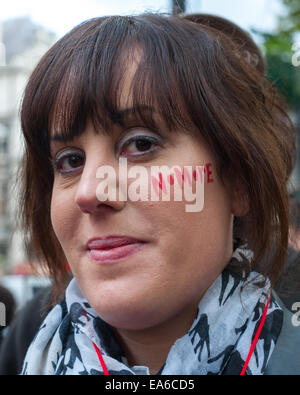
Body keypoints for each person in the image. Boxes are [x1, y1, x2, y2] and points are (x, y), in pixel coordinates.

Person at [17, 13, 299, 375]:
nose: (89, 192)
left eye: (140, 143)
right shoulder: (26, 351)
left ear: (239, 181)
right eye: (70, 161)